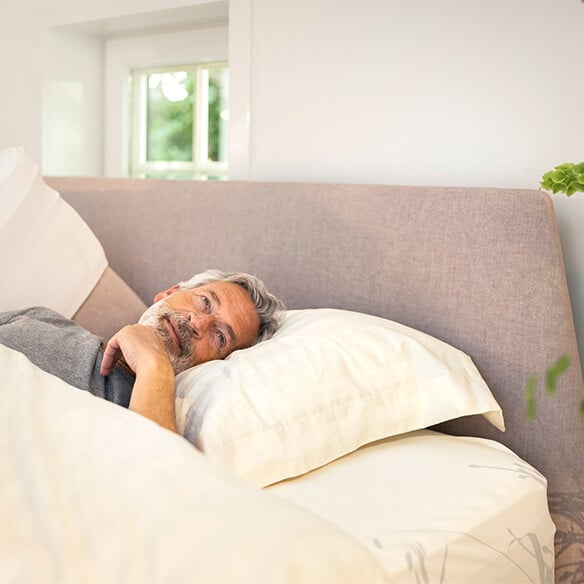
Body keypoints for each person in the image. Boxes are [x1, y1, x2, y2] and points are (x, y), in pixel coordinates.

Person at [0, 269, 285, 433]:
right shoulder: (45, 318)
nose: (198, 322)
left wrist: (153, 364)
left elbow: (155, 486)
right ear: (169, 293)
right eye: (204, 303)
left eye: (220, 337)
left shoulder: (144, 413)